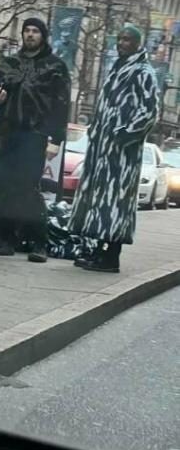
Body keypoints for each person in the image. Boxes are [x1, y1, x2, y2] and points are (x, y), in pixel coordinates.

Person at [69, 25, 158, 274]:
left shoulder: (143, 72)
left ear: (138, 44)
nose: (121, 43)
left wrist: (124, 135)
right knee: (99, 201)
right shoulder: (116, 69)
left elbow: (150, 111)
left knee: (116, 202)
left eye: (127, 39)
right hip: (102, 151)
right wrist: (96, 131)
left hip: (122, 154)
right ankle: (98, 250)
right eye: (119, 39)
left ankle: (112, 256)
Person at [0, 17, 71, 263]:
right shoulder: (9, 63)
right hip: (6, 131)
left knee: (29, 188)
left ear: (43, 36)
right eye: (27, 31)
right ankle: (6, 239)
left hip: (35, 133)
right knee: (4, 185)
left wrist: (56, 138)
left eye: (35, 31)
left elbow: (61, 105)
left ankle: (38, 241)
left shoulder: (55, 67)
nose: (30, 35)